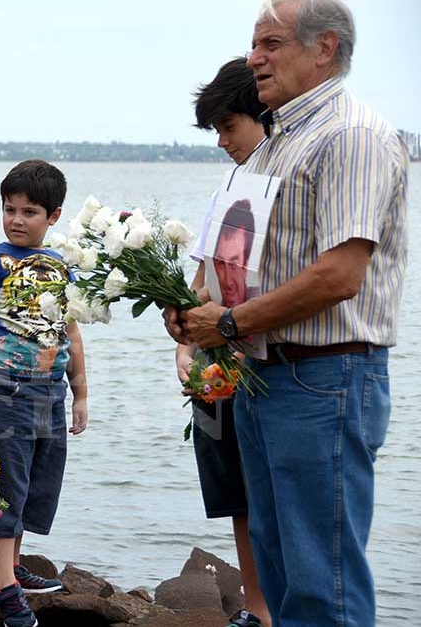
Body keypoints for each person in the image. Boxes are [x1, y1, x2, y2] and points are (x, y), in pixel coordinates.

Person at [171, 1, 409, 624]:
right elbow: (247, 268)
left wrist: (227, 324)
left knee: (321, 580)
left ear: (324, 47)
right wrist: (198, 316)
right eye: (255, 45)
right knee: (278, 573)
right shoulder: (277, 142)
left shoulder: (350, 135)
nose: (254, 59)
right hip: (263, 375)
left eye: (269, 44)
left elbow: (338, 275)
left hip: (323, 377)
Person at [0, 160, 87, 627]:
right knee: (2, 481)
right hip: (2, 387)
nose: (16, 219)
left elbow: (71, 332)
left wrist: (81, 394)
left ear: (54, 216)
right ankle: (5, 585)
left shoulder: (62, 266)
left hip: (50, 390)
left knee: (34, 482)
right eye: (10, 209)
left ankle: (8, 568)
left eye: (29, 211)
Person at [174, 57, 270, 627]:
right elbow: (200, 283)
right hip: (218, 366)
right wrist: (182, 333)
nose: (222, 142)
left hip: (263, 361)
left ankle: (276, 609)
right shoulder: (227, 191)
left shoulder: (284, 190)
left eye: (229, 127)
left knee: (270, 497)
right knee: (236, 497)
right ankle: (256, 611)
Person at [213, 199, 256, 309]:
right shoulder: (211, 304)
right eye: (221, 263)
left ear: (246, 265)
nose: (228, 282)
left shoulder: (266, 300)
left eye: (234, 264)